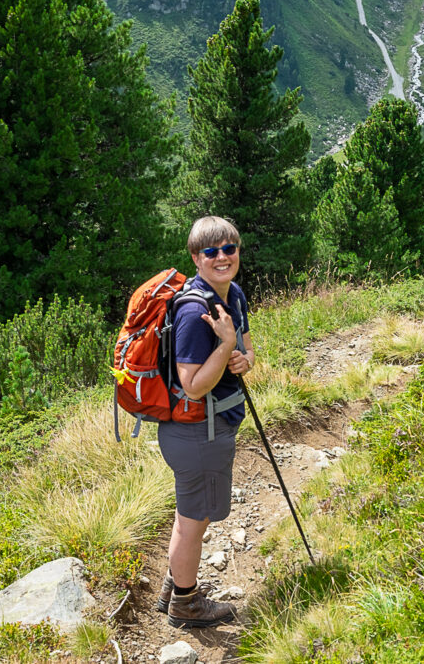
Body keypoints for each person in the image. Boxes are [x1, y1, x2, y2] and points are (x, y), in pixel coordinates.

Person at [156, 216, 256, 628]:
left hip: (211, 428)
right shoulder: (195, 311)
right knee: (194, 520)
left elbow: (248, 352)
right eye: (211, 252)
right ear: (196, 258)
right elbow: (193, 385)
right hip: (197, 431)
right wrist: (226, 344)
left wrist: (242, 357)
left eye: (228, 248)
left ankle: (171, 587)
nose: (222, 257)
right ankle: (185, 602)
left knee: (190, 516)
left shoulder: (233, 294)